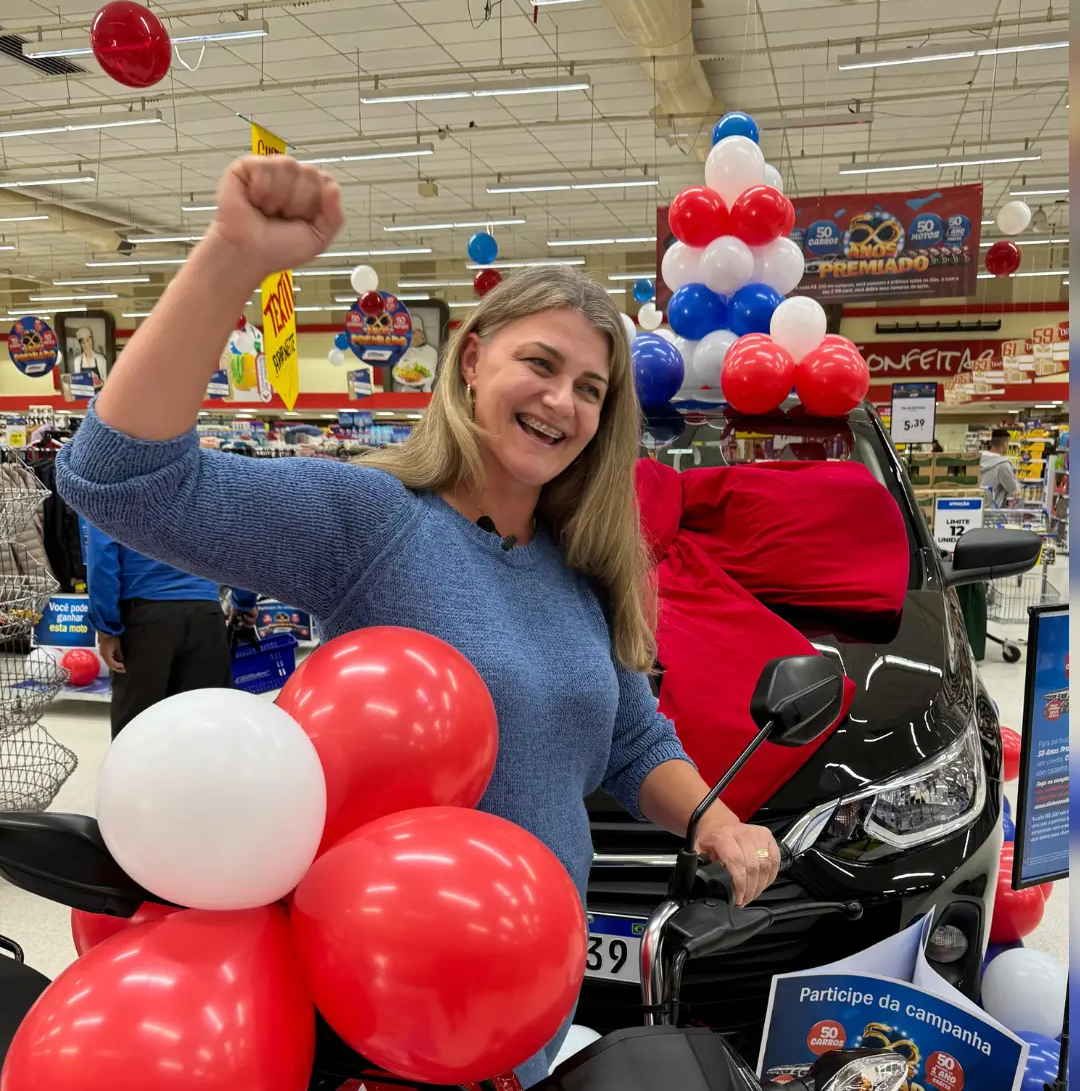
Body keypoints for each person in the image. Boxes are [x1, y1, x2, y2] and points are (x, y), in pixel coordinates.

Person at [56, 155, 781, 1086]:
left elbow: (629, 740)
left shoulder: (584, 565)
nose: (563, 402)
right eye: (541, 364)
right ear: (473, 359)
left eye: (592, 389)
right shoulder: (375, 523)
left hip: (528, 996)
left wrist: (713, 820)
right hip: (394, 1008)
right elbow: (121, 477)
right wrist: (233, 260)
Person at [83, 522, 233, 738]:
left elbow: (102, 561)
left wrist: (107, 628)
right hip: (206, 614)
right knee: (204, 726)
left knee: (136, 728)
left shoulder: (110, 490)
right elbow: (234, 546)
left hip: (146, 618)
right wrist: (244, 601)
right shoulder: (211, 488)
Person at [980, 427, 1020, 508]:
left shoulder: (977, 459)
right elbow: (1013, 489)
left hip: (975, 510)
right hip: (992, 514)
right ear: (1005, 443)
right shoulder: (1003, 464)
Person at [71, 325, 108, 389]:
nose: (86, 344)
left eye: (88, 340)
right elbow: (77, 380)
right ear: (80, 344)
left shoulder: (101, 359)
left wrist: (100, 384)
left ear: (91, 340)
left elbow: (105, 381)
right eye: (83, 342)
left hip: (98, 395)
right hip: (84, 395)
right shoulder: (77, 360)